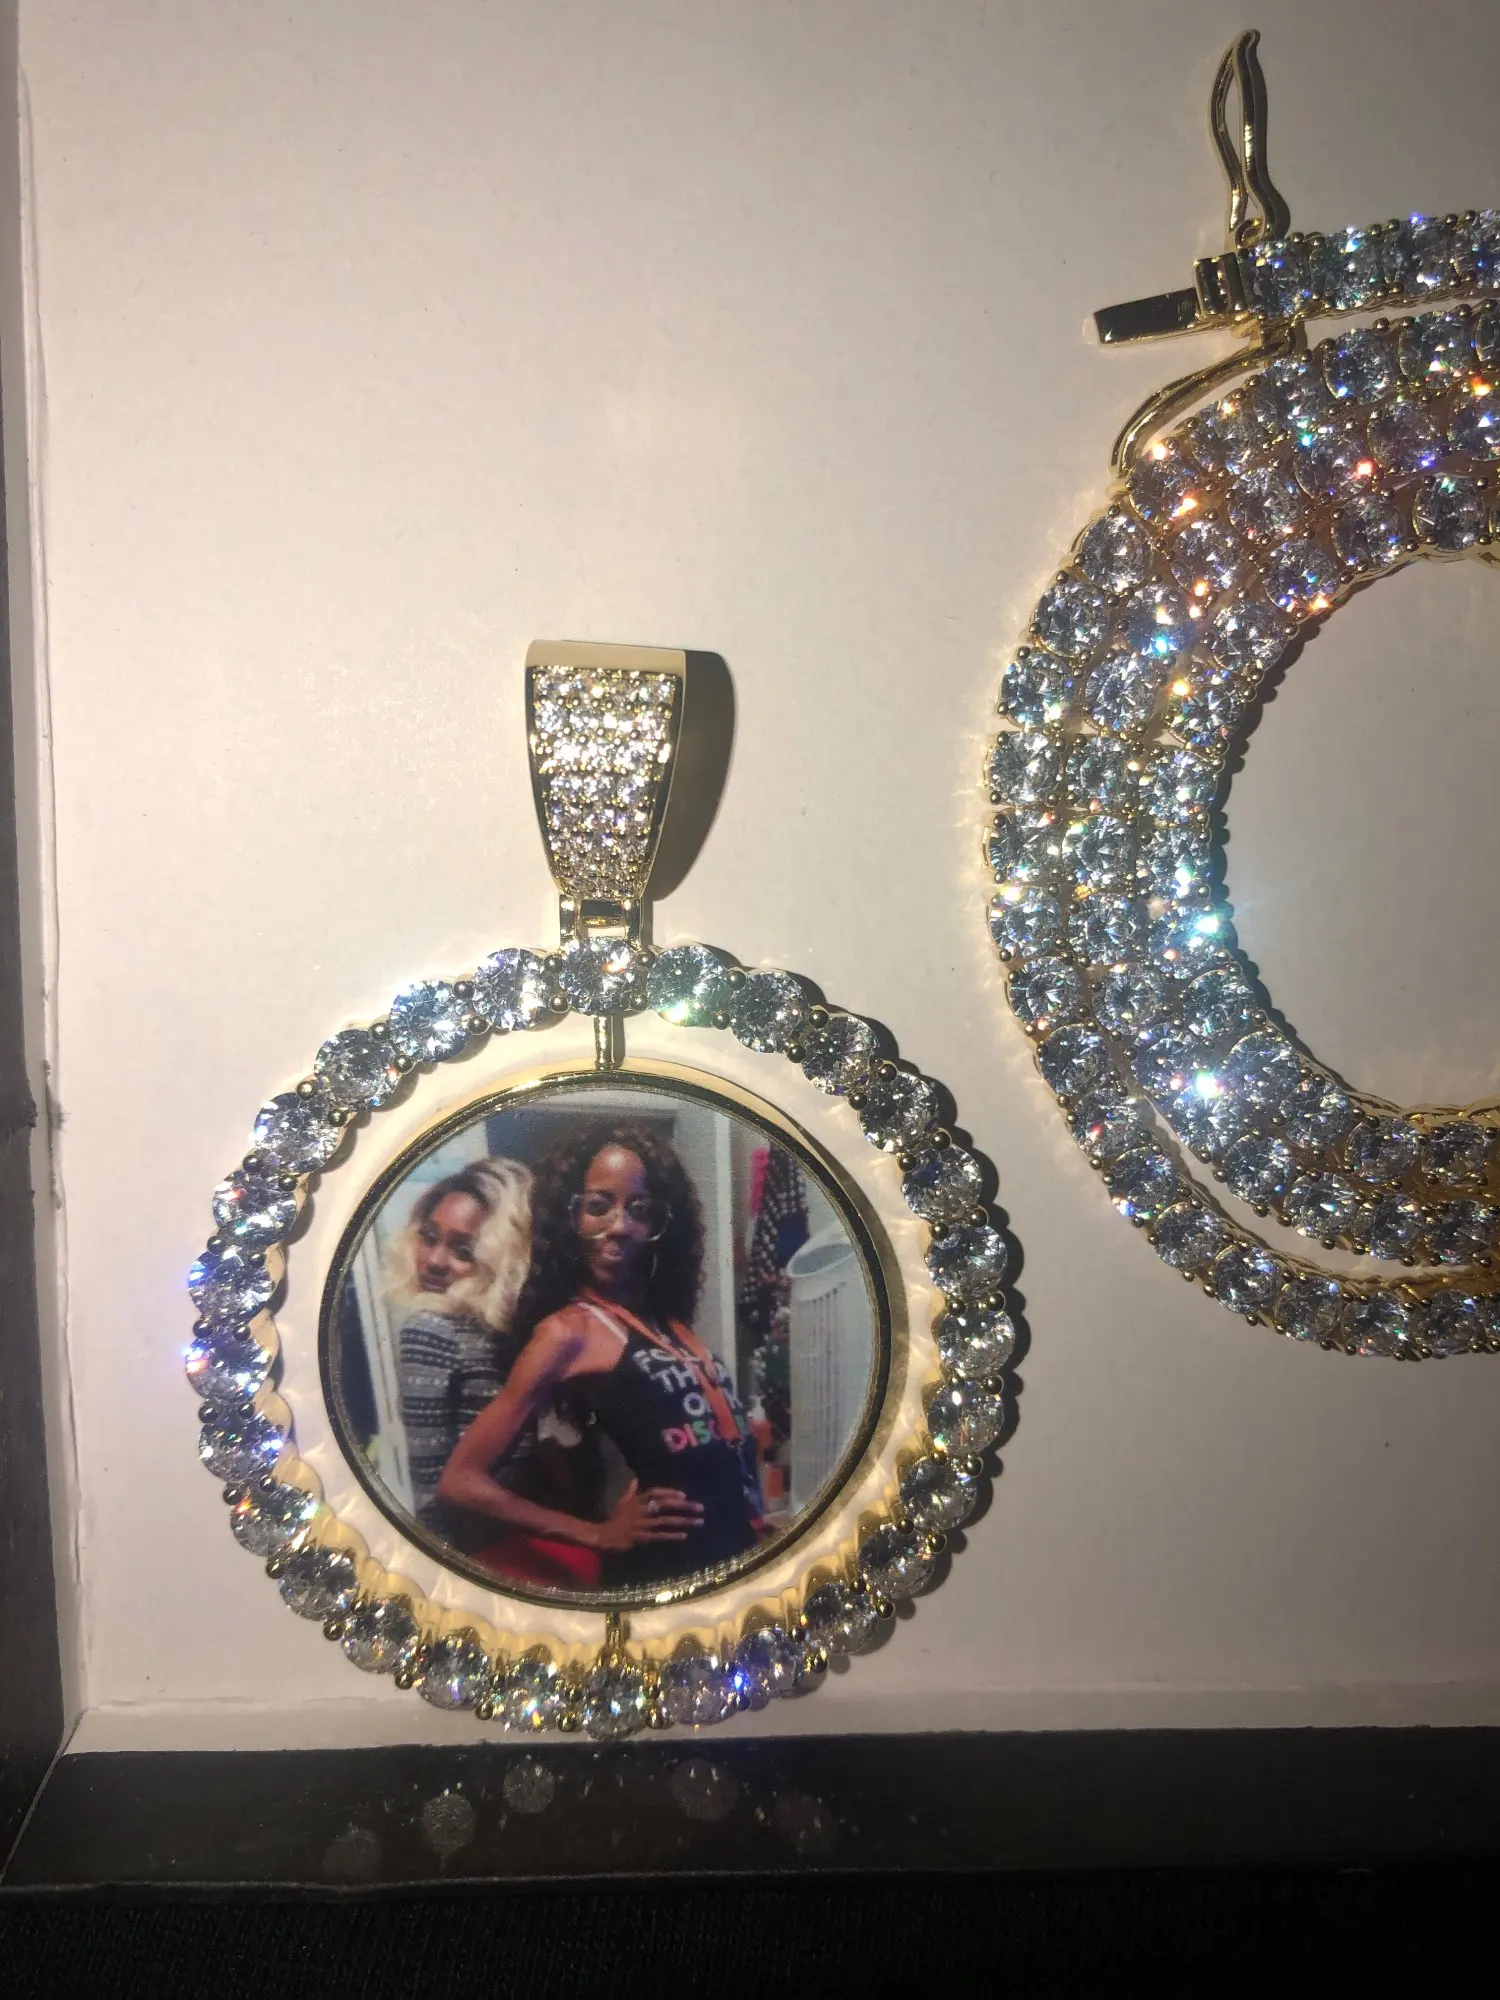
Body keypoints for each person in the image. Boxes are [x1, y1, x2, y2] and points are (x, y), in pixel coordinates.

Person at [438, 1121, 765, 1591]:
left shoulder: (663, 1319)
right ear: (568, 1217)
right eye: (597, 1206)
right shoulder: (566, 1332)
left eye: (640, 1210)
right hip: (663, 1574)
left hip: (733, 1554)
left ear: (661, 1224)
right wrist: (594, 1534)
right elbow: (460, 1481)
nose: (619, 1225)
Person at [386, 1158, 602, 1589]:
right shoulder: (487, 1331)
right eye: (429, 1237)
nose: (434, 1261)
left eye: (463, 1250)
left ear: (501, 1258)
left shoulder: (440, 1330)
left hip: (498, 1562)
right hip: (529, 1552)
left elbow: (434, 1496)